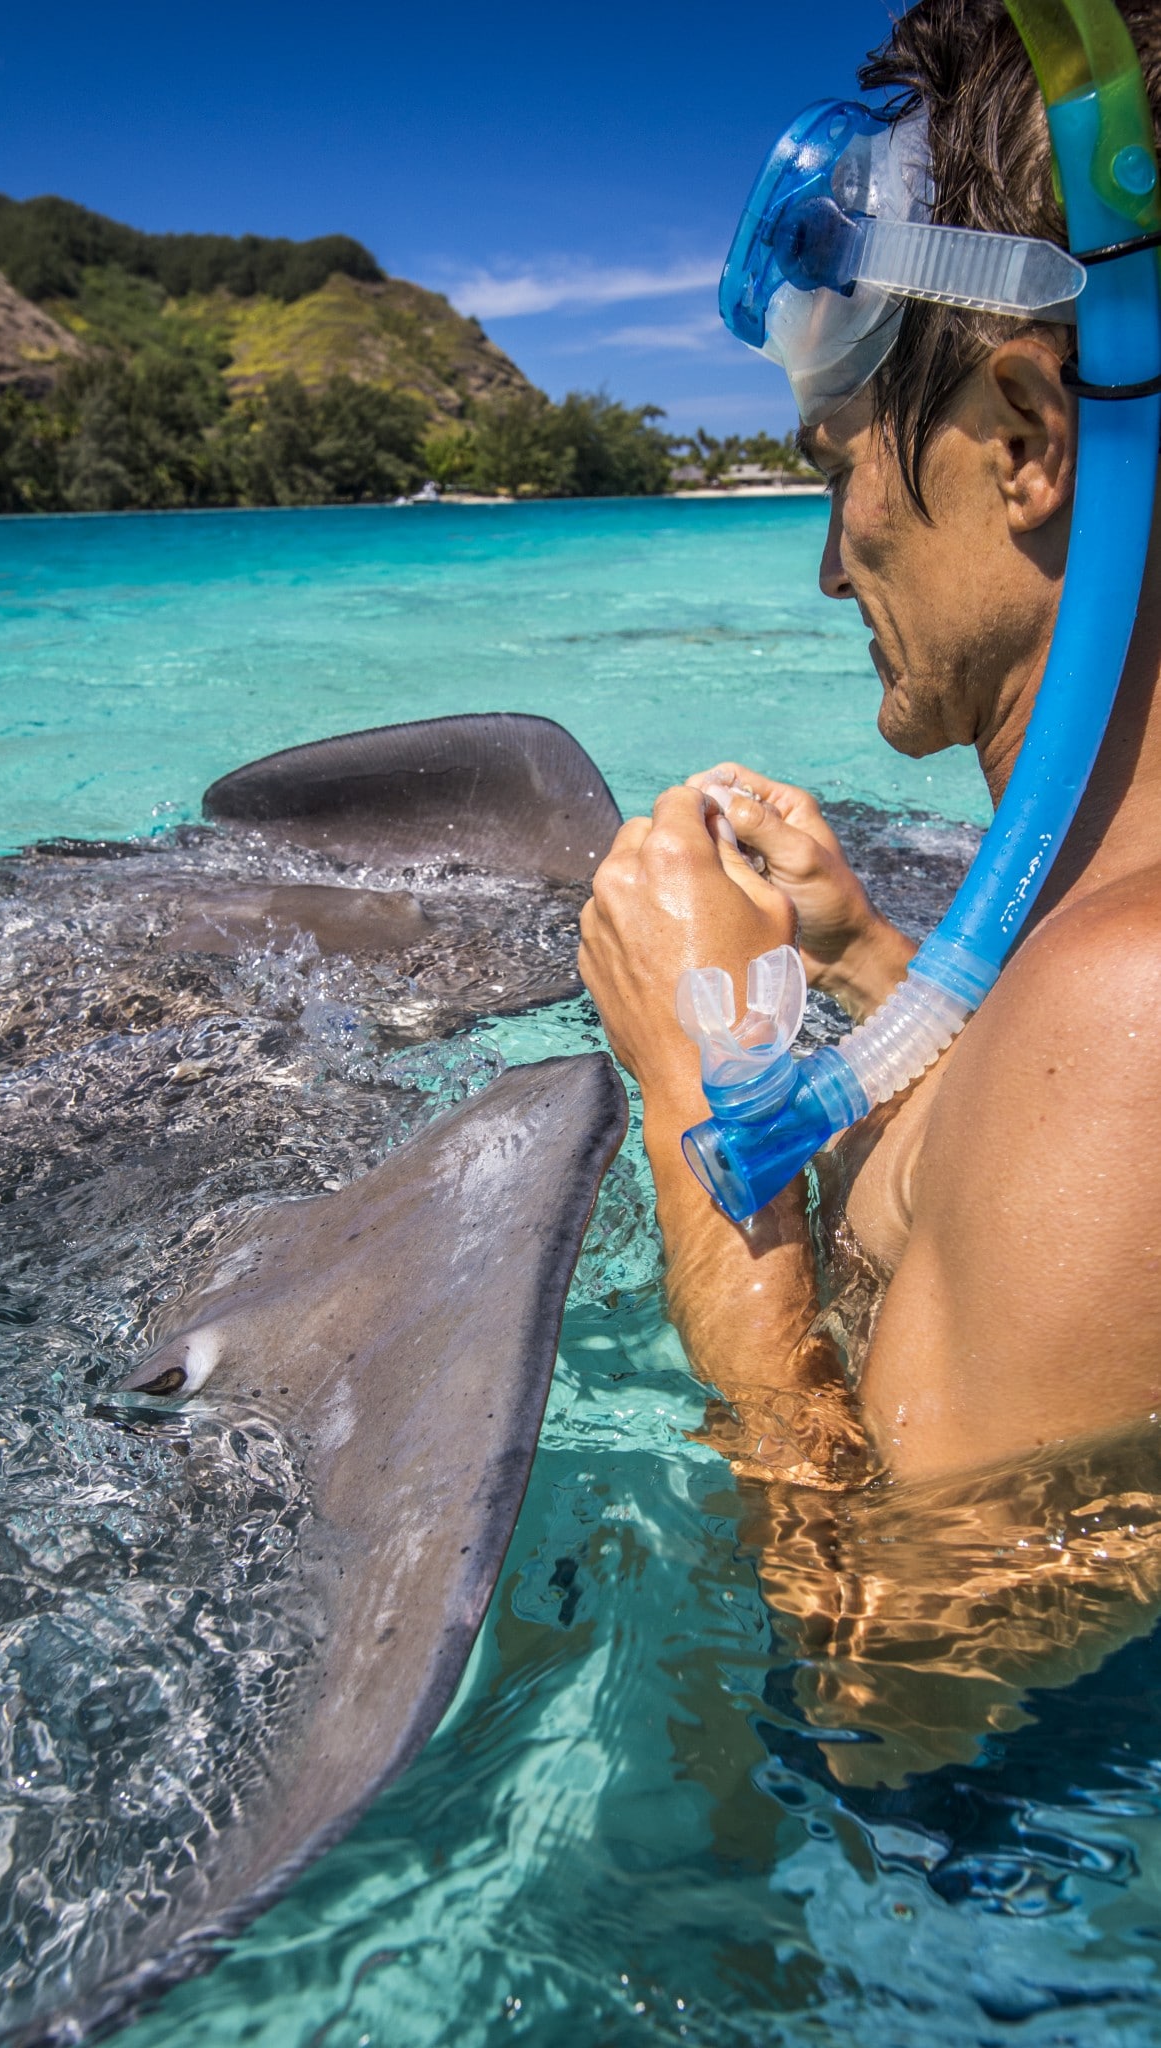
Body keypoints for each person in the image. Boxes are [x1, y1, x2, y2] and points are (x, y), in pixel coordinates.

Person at [579, 0, 1161, 1496]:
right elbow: (1015, 1190)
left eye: (843, 469)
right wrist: (862, 960)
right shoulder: (1092, 957)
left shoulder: (1130, 1009)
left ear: (1026, 436)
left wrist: (702, 1071)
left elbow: (888, 1694)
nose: (833, 571)